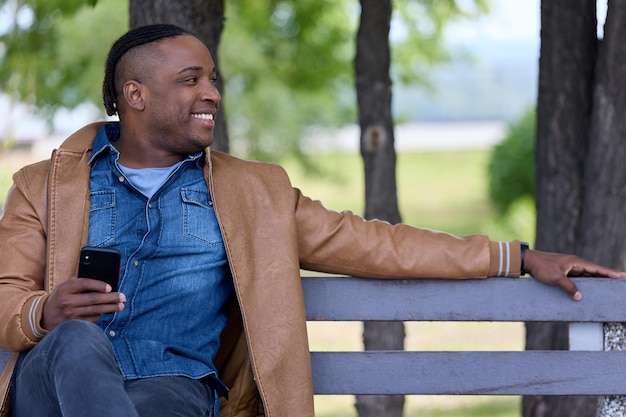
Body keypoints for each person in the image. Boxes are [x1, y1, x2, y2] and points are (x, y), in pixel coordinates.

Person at [0, 23, 623, 417]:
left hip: (173, 391)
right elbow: (6, 298)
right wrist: (42, 313)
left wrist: (515, 256)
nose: (212, 93)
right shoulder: (45, 186)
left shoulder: (255, 194)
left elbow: (378, 246)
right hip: (52, 386)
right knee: (78, 342)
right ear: (135, 95)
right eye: (191, 80)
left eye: (213, 79)